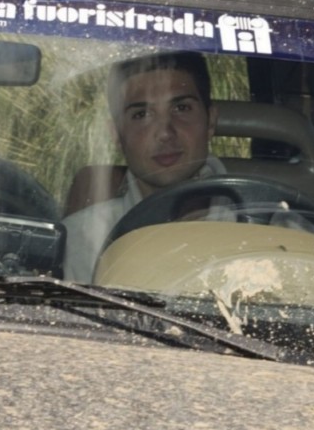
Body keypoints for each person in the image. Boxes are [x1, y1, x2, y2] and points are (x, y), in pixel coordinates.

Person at [61, 51, 227, 283]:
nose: (165, 133)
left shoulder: (267, 223)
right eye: (142, 114)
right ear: (116, 135)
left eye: (181, 108)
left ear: (210, 121)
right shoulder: (81, 242)